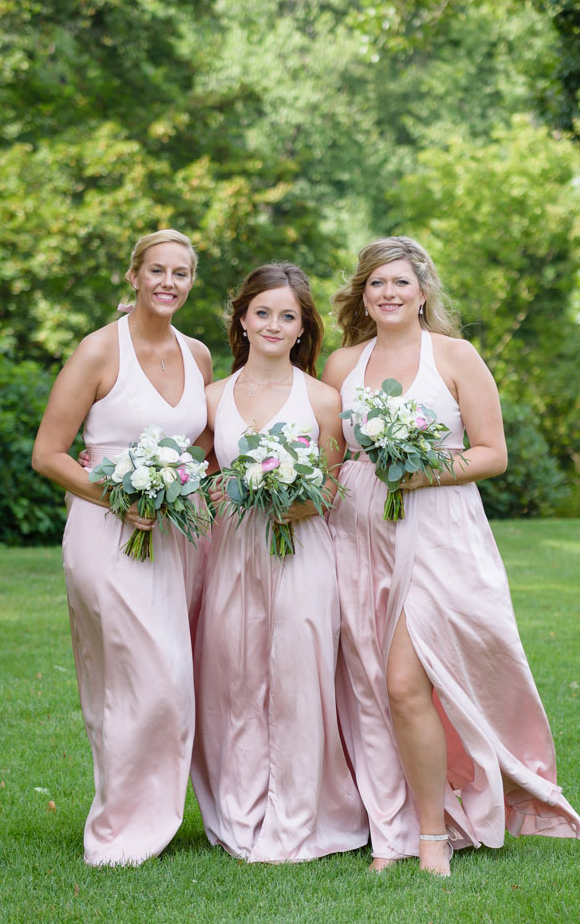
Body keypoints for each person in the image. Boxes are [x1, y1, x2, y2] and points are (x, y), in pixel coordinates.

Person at [330, 233, 580, 876]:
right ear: (364, 294)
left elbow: (492, 454)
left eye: (400, 283)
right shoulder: (341, 366)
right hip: (360, 534)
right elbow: (330, 462)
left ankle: (432, 837)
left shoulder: (455, 356)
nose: (388, 293)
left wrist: (423, 471)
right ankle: (392, 823)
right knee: (372, 686)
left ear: (423, 292)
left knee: (406, 679)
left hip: (439, 529)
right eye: (376, 283)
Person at [31, 223, 212, 866]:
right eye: (157, 270)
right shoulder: (97, 352)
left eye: (181, 273)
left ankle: (147, 816)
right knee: (142, 676)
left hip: (179, 533)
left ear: (192, 282)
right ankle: (122, 829)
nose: (168, 283)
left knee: (169, 676)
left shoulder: (199, 355)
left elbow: (207, 449)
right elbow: (48, 454)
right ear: (133, 276)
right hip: (107, 530)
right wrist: (122, 499)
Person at [192, 256, 365, 867]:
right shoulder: (213, 398)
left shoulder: (323, 399)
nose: (272, 324)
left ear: (302, 328)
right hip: (236, 554)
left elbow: (338, 482)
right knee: (234, 680)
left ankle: (300, 813)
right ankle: (240, 812)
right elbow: (194, 473)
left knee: (299, 676)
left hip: (302, 554)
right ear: (241, 320)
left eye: (286, 316)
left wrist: (307, 501)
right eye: (261, 312)